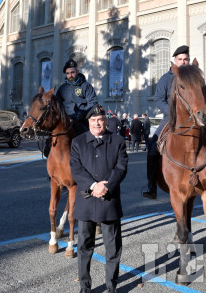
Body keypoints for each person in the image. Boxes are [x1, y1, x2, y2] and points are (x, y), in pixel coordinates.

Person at [142, 45, 206, 199]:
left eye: (186, 59)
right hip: (171, 118)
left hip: (195, 119)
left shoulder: (195, 76)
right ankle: (151, 184)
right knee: (152, 146)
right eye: (180, 59)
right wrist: (172, 113)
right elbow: (158, 99)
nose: (183, 62)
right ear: (175, 61)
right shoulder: (166, 78)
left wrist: (202, 106)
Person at [70, 103, 129, 293]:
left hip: (109, 201)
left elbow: (121, 168)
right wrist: (94, 185)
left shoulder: (118, 141)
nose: (97, 123)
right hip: (86, 201)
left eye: (101, 120)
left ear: (106, 121)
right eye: (94, 120)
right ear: (88, 122)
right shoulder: (77, 142)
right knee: (84, 248)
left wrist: (106, 186)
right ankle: (84, 288)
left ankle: (112, 287)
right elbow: (76, 169)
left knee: (112, 249)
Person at [55, 59, 98, 136]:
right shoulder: (62, 88)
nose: (70, 75)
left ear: (77, 71)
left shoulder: (86, 86)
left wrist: (82, 112)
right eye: (67, 73)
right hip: (65, 120)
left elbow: (93, 102)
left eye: (72, 72)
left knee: (88, 138)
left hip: (82, 120)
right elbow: (57, 104)